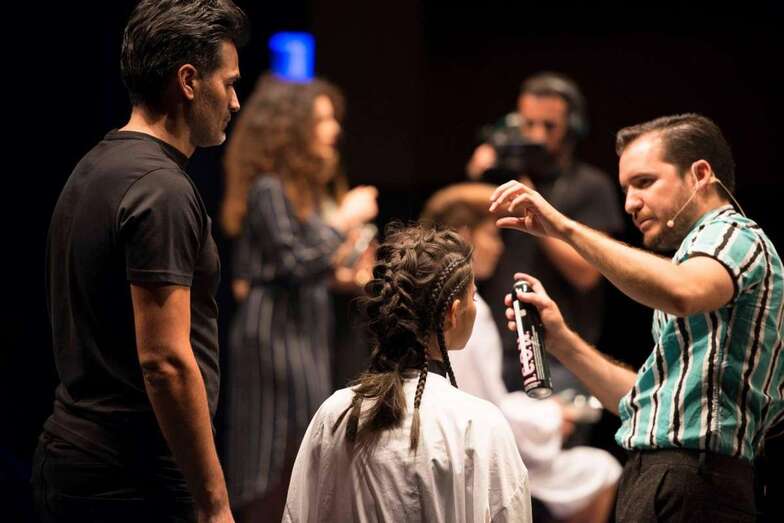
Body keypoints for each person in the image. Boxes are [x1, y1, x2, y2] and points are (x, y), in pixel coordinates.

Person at [491, 113, 783, 521]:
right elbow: (642, 402)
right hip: (662, 475)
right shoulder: (695, 257)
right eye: (626, 188)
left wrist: (564, 228)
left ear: (700, 174)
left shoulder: (734, 235)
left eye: (644, 183)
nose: (630, 203)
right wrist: (561, 339)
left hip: (697, 479)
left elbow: (682, 291)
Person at [33, 1, 248, 521]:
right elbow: (166, 363)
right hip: (130, 478)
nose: (236, 102)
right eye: (230, 82)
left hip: (77, 457)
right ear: (189, 81)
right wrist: (216, 503)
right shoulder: (162, 190)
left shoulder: (97, 164)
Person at [284, 223, 532, 522]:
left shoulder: (334, 414)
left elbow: (299, 515)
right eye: (473, 297)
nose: (475, 307)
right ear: (453, 313)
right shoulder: (476, 424)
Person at [220, 73, 378, 522]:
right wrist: (345, 220)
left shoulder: (296, 192)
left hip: (301, 327)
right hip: (274, 332)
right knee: (274, 446)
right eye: (324, 118)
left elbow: (311, 266)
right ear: (295, 128)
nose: (334, 129)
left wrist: (347, 274)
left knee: (303, 440)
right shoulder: (268, 187)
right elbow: (292, 260)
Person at [422, 183, 620, 523]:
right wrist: (551, 418)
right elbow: (481, 410)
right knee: (603, 469)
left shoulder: (430, 300)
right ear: (464, 235)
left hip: (437, 440)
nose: (499, 249)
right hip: (462, 454)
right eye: (492, 236)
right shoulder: (468, 310)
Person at [466, 72, 624, 403]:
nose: (537, 136)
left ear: (573, 128)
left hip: (560, 353)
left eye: (549, 126)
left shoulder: (590, 186)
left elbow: (585, 274)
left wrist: (535, 204)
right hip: (495, 346)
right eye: (528, 125)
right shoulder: (501, 177)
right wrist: (475, 181)